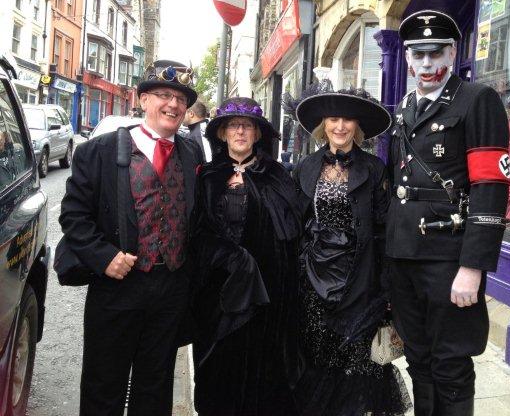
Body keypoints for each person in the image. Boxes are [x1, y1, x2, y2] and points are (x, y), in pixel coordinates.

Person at [58, 60, 203, 416]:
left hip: (170, 291)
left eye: (180, 99)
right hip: (116, 289)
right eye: (163, 95)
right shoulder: (99, 151)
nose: (172, 105)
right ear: (142, 100)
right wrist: (103, 256)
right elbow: (73, 215)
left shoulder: (191, 153)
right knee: (103, 386)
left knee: (154, 390)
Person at [386, 10, 510, 415]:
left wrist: (473, 267)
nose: (426, 64)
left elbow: (490, 188)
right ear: (406, 57)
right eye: (417, 54)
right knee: (418, 360)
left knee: (451, 364)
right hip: (404, 259)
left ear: (453, 52)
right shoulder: (405, 106)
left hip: (448, 260)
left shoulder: (478, 101)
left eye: (435, 53)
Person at [293, 89, 411, 416]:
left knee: (357, 367)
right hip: (313, 286)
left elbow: (386, 230)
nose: (340, 126)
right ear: (323, 125)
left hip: (360, 284)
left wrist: (386, 290)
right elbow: (297, 225)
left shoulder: (374, 169)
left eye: (347, 119)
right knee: (318, 362)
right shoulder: (305, 168)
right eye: (333, 119)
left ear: (356, 125)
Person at [190, 97, 303, 415]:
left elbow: (291, 231)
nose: (240, 131)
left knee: (261, 376)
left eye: (247, 126)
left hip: (265, 295)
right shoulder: (207, 176)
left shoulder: (277, 176)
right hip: (219, 294)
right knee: (218, 372)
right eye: (233, 126)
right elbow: (195, 233)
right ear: (223, 134)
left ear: (257, 134)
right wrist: (229, 257)